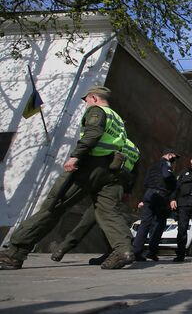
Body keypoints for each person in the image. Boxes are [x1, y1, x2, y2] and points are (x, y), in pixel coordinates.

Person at [0, 86, 134, 270]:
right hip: (111, 170)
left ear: (94, 98)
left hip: (89, 165)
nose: (85, 103)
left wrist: (76, 155)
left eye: (86, 99)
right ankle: (123, 250)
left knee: (54, 205)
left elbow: (93, 133)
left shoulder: (97, 111)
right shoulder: (117, 119)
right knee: (107, 211)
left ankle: (13, 253)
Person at [50, 138, 140, 265]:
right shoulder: (134, 148)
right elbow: (134, 172)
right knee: (103, 220)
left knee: (92, 219)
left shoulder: (115, 141)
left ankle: (64, 247)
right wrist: (128, 191)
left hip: (106, 183)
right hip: (119, 185)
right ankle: (112, 250)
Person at [132, 149, 179, 261]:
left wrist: (142, 199)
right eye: (174, 157)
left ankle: (136, 251)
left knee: (145, 224)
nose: (174, 160)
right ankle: (152, 251)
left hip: (149, 194)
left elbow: (146, 182)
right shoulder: (166, 163)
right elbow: (167, 176)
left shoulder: (153, 166)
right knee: (160, 223)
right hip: (160, 196)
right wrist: (175, 183)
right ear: (168, 155)